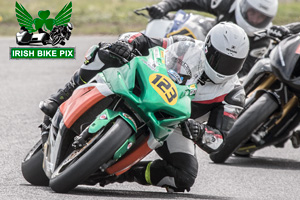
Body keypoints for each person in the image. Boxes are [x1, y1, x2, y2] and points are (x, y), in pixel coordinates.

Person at [39, 22, 249, 192]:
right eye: (220, 60)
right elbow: (145, 40)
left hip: (176, 123)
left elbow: (219, 139)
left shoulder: (234, 93)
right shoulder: (188, 45)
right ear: (207, 48)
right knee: (105, 51)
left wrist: (200, 131)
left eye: (234, 63)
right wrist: (128, 43)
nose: (225, 68)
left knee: (185, 176)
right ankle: (60, 96)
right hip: (148, 85)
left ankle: (119, 173)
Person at [147, 0, 283, 77]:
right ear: (244, 6)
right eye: (252, 12)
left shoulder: (264, 39)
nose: (255, 19)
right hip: (206, 34)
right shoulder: (229, 4)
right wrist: (164, 6)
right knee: (185, 29)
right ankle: (147, 55)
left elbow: (244, 72)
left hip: (217, 69)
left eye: (261, 17)